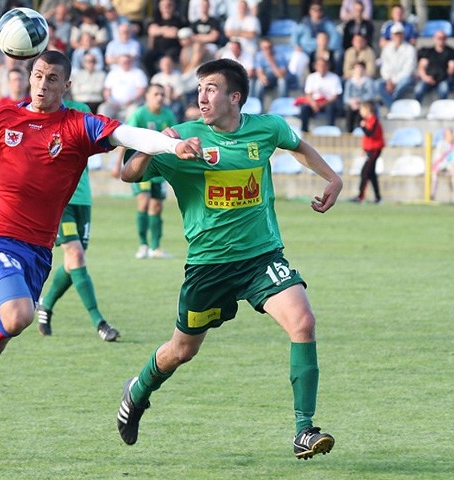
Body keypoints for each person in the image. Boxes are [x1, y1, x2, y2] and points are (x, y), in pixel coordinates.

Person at [0, 49, 201, 462]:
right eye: (38, 76)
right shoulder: (0, 118)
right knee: (17, 317)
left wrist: (171, 147)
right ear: (30, 77)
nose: (43, 85)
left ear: (67, 85)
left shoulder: (77, 126)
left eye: (52, 79)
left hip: (37, 252)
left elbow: (126, 136)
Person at [115, 58, 341, 460]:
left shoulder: (265, 128)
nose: (202, 96)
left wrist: (333, 178)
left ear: (235, 97)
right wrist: (156, 145)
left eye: (211, 88)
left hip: (261, 257)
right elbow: (129, 175)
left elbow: (297, 145)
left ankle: (304, 430)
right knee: (182, 351)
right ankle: (138, 390)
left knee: (303, 322)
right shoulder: (184, 138)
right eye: (200, 88)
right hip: (209, 267)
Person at [35, 99, 120, 340]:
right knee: (76, 255)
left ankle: (46, 304)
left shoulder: (80, 110)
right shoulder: (39, 114)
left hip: (82, 197)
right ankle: (100, 322)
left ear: (66, 81)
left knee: (74, 263)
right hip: (58, 200)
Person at [112, 84, 178, 259]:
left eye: (162, 94)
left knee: (156, 206)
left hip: (160, 169)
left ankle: (155, 247)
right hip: (141, 168)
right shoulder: (140, 114)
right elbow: (126, 139)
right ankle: (143, 245)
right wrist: (117, 164)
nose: (159, 97)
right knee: (143, 202)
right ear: (147, 96)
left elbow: (176, 139)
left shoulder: (168, 115)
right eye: (156, 94)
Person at [97, 54, 148, 122]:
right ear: (119, 62)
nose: (125, 63)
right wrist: (109, 100)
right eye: (123, 62)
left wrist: (131, 100)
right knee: (103, 108)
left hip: (132, 103)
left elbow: (142, 90)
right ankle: (103, 131)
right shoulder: (113, 73)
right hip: (113, 104)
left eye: (127, 62)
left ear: (131, 62)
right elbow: (107, 89)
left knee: (134, 110)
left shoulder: (138, 73)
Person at [350, 100, 384, 204]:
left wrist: (363, 126)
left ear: (368, 110)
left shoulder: (373, 121)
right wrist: (364, 149)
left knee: (365, 172)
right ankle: (378, 197)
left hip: (375, 150)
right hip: (370, 150)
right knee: (371, 174)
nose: (360, 112)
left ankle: (360, 196)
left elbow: (370, 134)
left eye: (362, 110)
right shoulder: (369, 120)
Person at [376, 22, 416, 109]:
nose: (398, 36)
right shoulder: (386, 48)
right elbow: (384, 66)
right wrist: (388, 80)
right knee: (377, 84)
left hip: (402, 79)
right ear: (391, 36)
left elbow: (408, 69)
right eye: (396, 34)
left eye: (399, 34)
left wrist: (394, 81)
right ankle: (393, 106)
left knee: (406, 82)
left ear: (403, 35)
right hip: (389, 79)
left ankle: (391, 104)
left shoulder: (410, 49)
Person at [298, 57, 343, 132]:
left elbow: (335, 96)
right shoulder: (311, 77)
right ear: (316, 67)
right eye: (319, 65)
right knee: (304, 108)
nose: (322, 68)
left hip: (328, 103)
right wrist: (313, 104)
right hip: (314, 103)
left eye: (324, 65)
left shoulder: (334, 78)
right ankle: (304, 131)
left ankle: (330, 130)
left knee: (331, 108)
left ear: (328, 66)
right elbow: (308, 94)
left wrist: (322, 104)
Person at [413, 30, 454, 103]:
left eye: (443, 38)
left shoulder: (450, 52)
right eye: (439, 38)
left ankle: (442, 110)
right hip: (428, 79)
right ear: (434, 38)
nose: (441, 40)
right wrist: (425, 77)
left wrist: (444, 76)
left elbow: (451, 67)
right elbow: (421, 67)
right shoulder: (428, 51)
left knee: (444, 89)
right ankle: (417, 108)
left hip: (442, 79)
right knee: (418, 90)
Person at [343, 61, 376, 133]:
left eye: (360, 68)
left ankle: (362, 131)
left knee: (362, 113)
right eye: (356, 68)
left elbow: (371, 95)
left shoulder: (369, 81)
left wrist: (360, 100)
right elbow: (346, 97)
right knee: (349, 113)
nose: (358, 71)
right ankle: (349, 132)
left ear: (364, 70)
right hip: (352, 105)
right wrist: (352, 101)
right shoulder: (349, 82)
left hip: (364, 105)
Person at [431, 127, 454, 202]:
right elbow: (438, 159)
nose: (448, 136)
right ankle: (432, 195)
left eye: (450, 134)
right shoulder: (441, 144)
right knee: (434, 174)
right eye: (446, 134)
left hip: (451, 166)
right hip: (442, 165)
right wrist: (437, 168)